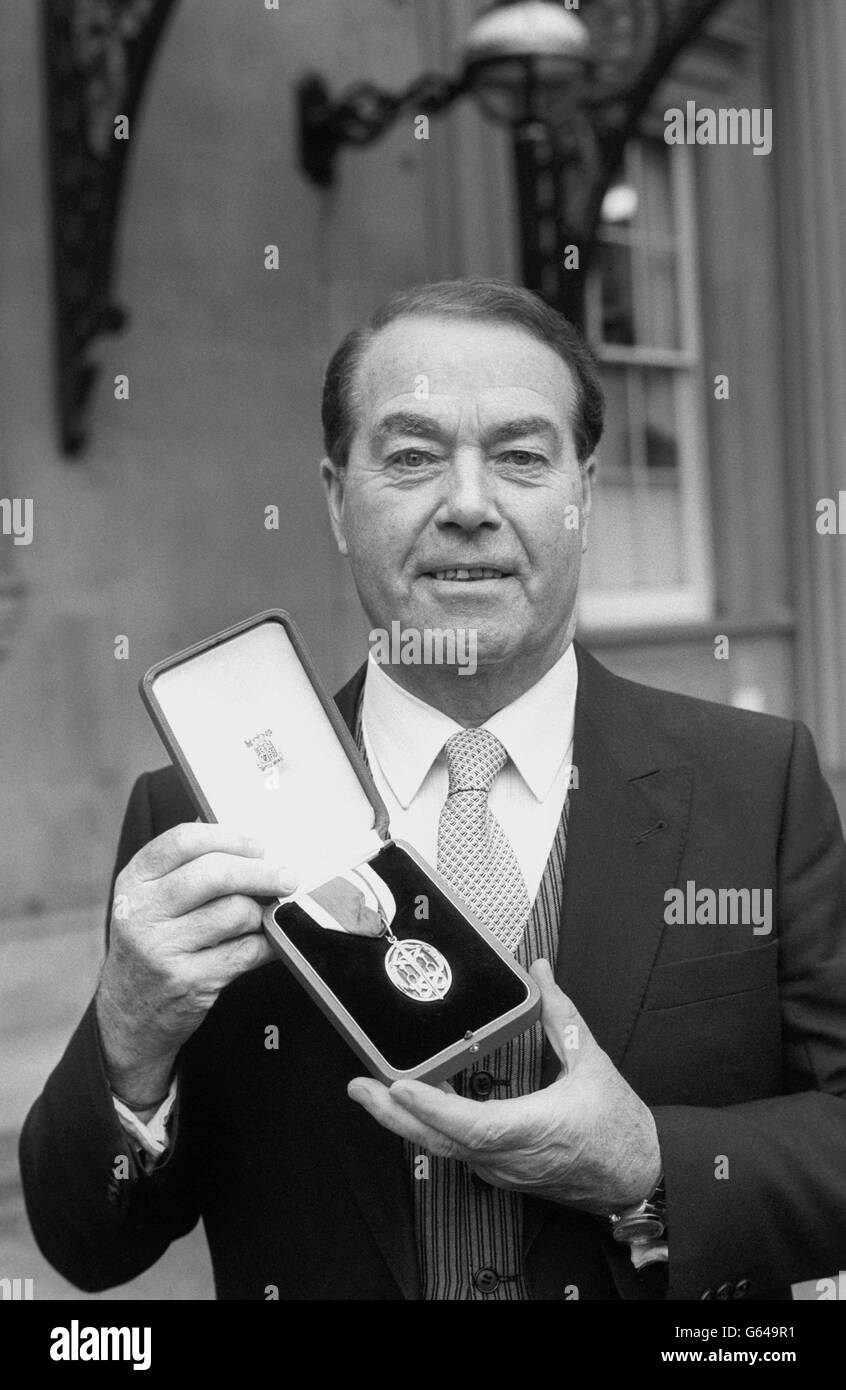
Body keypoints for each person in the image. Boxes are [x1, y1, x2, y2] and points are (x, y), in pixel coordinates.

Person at [20, 279, 846, 1301]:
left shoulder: (756, 786)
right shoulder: (195, 817)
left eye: (520, 455)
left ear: (583, 491)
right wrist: (127, 1037)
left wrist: (652, 1164)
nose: (466, 504)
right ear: (334, 497)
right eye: (411, 457)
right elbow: (85, 1242)